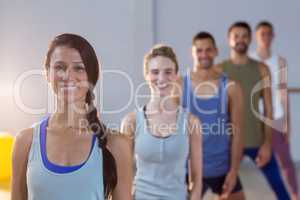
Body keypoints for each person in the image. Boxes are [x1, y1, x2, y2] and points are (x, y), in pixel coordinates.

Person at [11, 33, 132, 200]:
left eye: (79, 68)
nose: (68, 76)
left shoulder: (117, 144)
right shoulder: (25, 141)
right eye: (60, 67)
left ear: (91, 76)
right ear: (47, 73)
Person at [121, 45, 202, 200]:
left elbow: (197, 179)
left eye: (168, 72)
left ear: (176, 75)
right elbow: (124, 177)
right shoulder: (130, 121)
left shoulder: (192, 122)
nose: (162, 78)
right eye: (155, 72)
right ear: (146, 75)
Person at [220, 21, 290, 200]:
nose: (240, 40)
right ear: (229, 40)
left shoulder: (261, 68)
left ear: (250, 39)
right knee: (224, 190)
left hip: (257, 141)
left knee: (280, 190)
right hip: (228, 143)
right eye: (236, 36)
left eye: (244, 36)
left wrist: (267, 143)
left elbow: (268, 108)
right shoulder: (220, 70)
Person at [182, 31, 245, 200]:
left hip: (221, 168)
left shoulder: (231, 87)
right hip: (188, 170)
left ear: (216, 51)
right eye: (199, 50)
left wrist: (233, 171)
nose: (204, 55)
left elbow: (237, 133)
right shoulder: (179, 86)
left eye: (208, 50)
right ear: (192, 53)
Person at [250, 21, 298, 200]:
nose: (266, 37)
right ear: (256, 36)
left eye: (269, 34)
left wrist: (287, 123)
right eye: (262, 33)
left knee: (285, 162)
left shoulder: (280, 61)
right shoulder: (249, 60)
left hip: (276, 118)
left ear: (273, 36)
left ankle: (294, 195)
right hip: (253, 120)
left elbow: (283, 93)